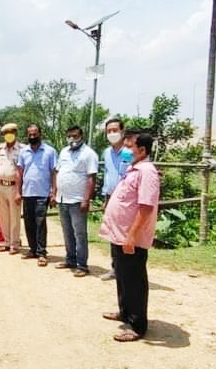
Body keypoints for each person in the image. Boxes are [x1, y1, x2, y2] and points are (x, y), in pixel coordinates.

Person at [99, 130, 160, 342]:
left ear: (142, 150)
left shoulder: (147, 172)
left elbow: (145, 207)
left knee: (134, 280)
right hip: (119, 234)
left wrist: (132, 236)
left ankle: (137, 325)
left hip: (130, 237)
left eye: (129, 146)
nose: (125, 150)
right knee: (123, 277)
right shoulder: (133, 169)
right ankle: (125, 312)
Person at [55, 125, 98, 277]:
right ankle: (70, 259)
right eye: (70, 136)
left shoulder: (89, 154)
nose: (72, 139)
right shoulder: (64, 152)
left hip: (78, 200)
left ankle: (82, 265)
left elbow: (92, 178)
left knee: (80, 233)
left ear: (82, 136)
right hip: (62, 198)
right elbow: (58, 171)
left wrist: (86, 199)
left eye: (75, 136)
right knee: (67, 232)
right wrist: (54, 192)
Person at [16, 124, 57, 267]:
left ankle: (41, 253)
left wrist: (53, 192)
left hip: (42, 193)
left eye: (35, 134)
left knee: (40, 223)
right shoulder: (23, 152)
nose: (32, 137)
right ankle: (32, 249)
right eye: (30, 134)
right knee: (29, 222)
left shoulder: (50, 151)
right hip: (27, 193)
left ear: (40, 134)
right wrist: (18, 191)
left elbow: (54, 172)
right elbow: (20, 173)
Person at [99, 117, 131, 281]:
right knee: (113, 234)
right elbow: (107, 175)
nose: (112, 134)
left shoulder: (129, 152)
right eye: (109, 131)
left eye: (115, 130)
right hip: (111, 196)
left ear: (122, 132)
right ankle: (115, 268)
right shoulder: (106, 152)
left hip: (126, 199)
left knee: (125, 234)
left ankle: (125, 269)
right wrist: (106, 197)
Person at [0, 123, 24, 254]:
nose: (9, 135)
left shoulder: (22, 149)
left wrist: (19, 190)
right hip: (1, 186)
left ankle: (14, 243)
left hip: (14, 187)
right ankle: (6, 241)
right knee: (4, 216)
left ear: (15, 134)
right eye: (6, 133)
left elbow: (22, 170)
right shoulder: (0, 148)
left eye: (11, 133)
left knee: (14, 217)